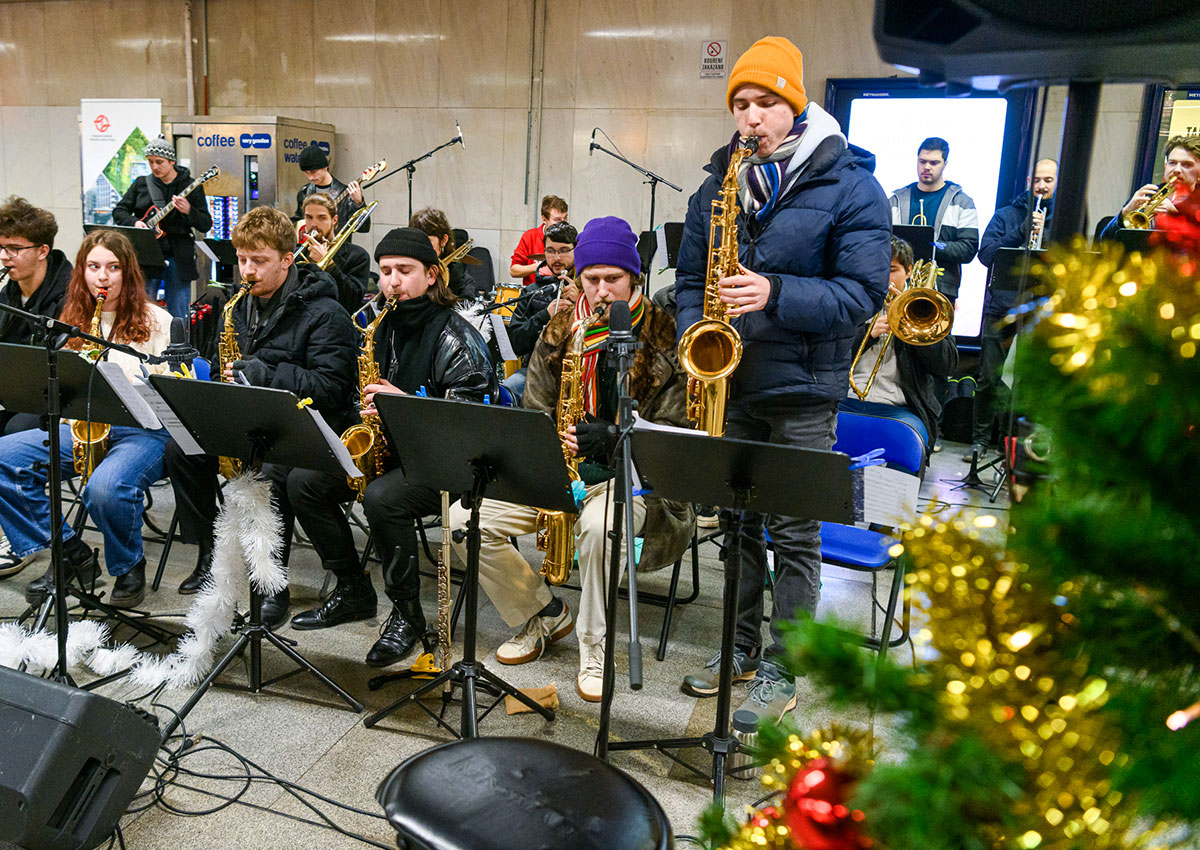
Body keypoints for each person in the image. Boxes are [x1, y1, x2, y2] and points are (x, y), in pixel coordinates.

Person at [675, 36, 890, 723]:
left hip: (802, 388)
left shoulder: (852, 185)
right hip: (728, 381)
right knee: (734, 524)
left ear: (795, 106)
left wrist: (773, 292)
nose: (750, 116)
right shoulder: (718, 185)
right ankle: (737, 647)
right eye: (740, 103)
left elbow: (860, 296)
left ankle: (784, 662)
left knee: (794, 531)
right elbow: (686, 280)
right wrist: (692, 334)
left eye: (765, 102)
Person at [446, 216, 693, 702]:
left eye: (613, 279)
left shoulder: (665, 336)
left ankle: (594, 646)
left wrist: (616, 438)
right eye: (592, 278)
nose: (601, 291)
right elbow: (535, 408)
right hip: (560, 472)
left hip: (637, 482)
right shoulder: (561, 328)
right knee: (462, 518)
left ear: (634, 279)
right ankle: (540, 616)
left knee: (602, 529)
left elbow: (676, 440)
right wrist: (545, 456)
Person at [287, 227, 496, 667]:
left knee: (383, 499)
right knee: (304, 481)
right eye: (385, 272)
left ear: (433, 275)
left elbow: (471, 422)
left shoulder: (456, 335)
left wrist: (407, 407)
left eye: (405, 271)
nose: (392, 282)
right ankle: (352, 589)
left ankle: (407, 616)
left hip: (445, 461)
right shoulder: (378, 326)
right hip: (388, 451)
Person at [164, 206, 357, 630]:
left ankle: (273, 585)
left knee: (270, 474)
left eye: (259, 261)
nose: (247, 271)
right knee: (181, 450)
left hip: (306, 425)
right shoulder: (239, 305)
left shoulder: (325, 313)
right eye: (241, 259)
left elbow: (333, 387)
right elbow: (222, 364)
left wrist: (266, 374)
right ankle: (209, 554)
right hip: (251, 417)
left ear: (288, 260)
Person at [0, 229, 171, 603]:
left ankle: (128, 566)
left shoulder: (158, 319)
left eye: (112, 267)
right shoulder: (71, 319)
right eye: (93, 267)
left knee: (105, 488)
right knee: (2, 460)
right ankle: (70, 553)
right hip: (82, 427)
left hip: (141, 431)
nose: (102, 277)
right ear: (82, 272)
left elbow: (168, 394)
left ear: (127, 273)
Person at [969, 159, 1058, 461]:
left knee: (1028, 383)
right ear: (1030, 181)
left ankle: (1016, 447)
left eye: (1049, 180)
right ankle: (980, 441)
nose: (1043, 186)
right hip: (1000, 311)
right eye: (1039, 180)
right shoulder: (1006, 216)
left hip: (1040, 314)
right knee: (988, 380)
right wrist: (1021, 231)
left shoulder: (1063, 220)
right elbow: (986, 255)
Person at [841, 236, 958, 454]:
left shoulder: (926, 307)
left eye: (893, 269)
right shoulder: (853, 304)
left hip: (902, 408)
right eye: (879, 268)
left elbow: (947, 366)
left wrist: (915, 330)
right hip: (847, 398)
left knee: (903, 448)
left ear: (909, 271)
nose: (885, 276)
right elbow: (829, 358)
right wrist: (867, 333)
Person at [112, 135, 213, 319]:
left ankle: (179, 346)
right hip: (148, 255)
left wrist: (189, 210)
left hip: (178, 256)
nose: (154, 167)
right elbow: (119, 211)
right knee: (143, 309)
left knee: (178, 312)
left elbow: (205, 223)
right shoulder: (142, 184)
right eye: (150, 162)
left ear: (171, 161)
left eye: (159, 162)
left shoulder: (190, 186)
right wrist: (135, 222)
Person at [0, 197, 72, 435]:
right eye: (1, 247)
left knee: (14, 430)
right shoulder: (7, 293)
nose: (4, 256)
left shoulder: (70, 296)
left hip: (55, 399)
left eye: (15, 249)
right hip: (15, 392)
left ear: (42, 251)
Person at [887, 137, 979, 301]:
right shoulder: (895, 200)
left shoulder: (962, 202)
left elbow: (968, 249)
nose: (926, 167)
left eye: (934, 163)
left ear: (945, 163)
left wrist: (931, 246)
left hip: (941, 289)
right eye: (922, 161)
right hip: (896, 286)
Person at [501, 220, 579, 404]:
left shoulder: (587, 288)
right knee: (505, 391)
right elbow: (516, 344)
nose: (556, 257)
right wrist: (544, 315)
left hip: (578, 374)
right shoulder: (531, 292)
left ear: (577, 250)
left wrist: (580, 303)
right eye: (550, 251)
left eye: (564, 250)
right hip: (537, 371)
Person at [1100, 134, 1200, 240]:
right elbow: (1105, 241)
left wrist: (1176, 217)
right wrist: (1125, 213)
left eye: (1187, 165)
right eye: (1172, 163)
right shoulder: (1149, 193)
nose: (1177, 170)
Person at [298, 192, 370, 311]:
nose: (314, 224)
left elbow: (353, 302)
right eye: (309, 217)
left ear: (334, 220)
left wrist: (329, 265)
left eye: (322, 217)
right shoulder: (297, 254)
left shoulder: (357, 256)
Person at [409, 207, 478, 301]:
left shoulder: (463, 281)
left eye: (427, 240)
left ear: (444, 240)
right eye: (416, 240)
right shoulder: (405, 271)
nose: (420, 247)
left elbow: (464, 311)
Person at [295, 144, 366, 232]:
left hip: (338, 244)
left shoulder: (346, 193)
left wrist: (358, 204)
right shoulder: (304, 192)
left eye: (313, 172)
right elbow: (299, 221)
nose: (310, 177)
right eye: (306, 173)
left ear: (325, 167)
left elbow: (364, 228)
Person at [510, 195, 568, 286]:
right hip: (534, 293)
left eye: (565, 218)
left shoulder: (570, 238)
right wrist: (539, 266)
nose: (563, 223)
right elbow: (514, 271)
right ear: (544, 219)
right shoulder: (530, 236)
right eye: (558, 220)